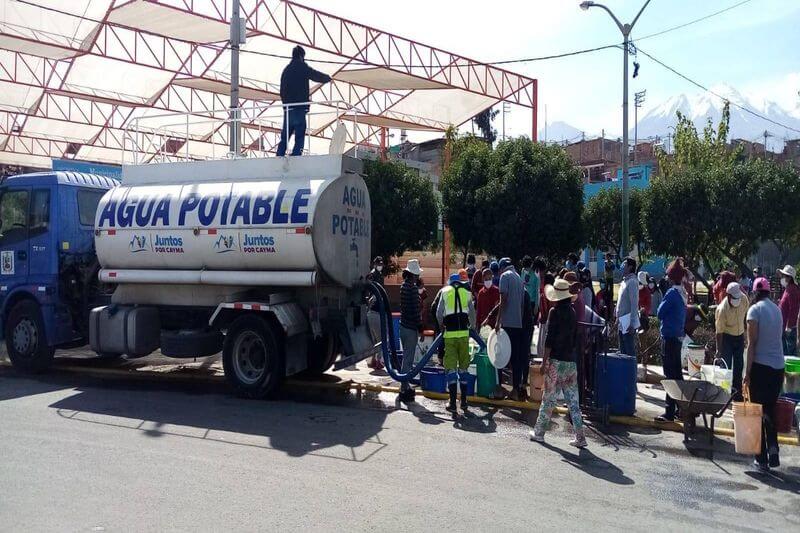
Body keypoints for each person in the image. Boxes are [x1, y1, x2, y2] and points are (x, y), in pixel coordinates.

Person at [529, 278, 587, 448]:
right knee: (573, 402)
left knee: (548, 399)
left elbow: (549, 340)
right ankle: (580, 436)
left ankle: (539, 432)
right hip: (570, 362)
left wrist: (544, 362)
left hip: (555, 362)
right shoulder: (572, 313)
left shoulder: (555, 312)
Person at [745, 277, 786, 471]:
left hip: (761, 367)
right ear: (769, 292)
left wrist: (747, 372)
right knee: (769, 409)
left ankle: (761, 459)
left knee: (757, 412)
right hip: (778, 367)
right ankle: (773, 447)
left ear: (754, 292)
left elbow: (752, 344)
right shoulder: (777, 310)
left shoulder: (754, 311)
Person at [277, 46, 332, 157]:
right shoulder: (302, 67)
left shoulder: (286, 70)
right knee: (300, 135)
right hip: (300, 108)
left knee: (285, 136)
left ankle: (279, 155)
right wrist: (328, 78)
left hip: (288, 109)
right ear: (302, 56)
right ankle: (296, 155)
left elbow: (282, 90)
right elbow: (315, 75)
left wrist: (285, 105)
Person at [436, 273, 476, 413]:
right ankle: (464, 402)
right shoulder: (467, 293)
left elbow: (439, 312)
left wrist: (442, 327)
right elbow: (472, 314)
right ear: (459, 282)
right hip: (464, 335)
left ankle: (452, 403)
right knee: (464, 367)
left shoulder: (445, 292)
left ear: (450, 282)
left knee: (451, 368)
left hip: (450, 336)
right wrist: (472, 327)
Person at [655, 260, 688, 422]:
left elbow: (660, 313)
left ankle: (669, 412)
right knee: (677, 374)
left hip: (668, 338)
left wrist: (663, 295)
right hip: (678, 337)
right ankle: (681, 409)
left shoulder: (671, 294)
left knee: (669, 376)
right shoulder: (683, 293)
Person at [496, 258, 527, 401]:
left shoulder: (504, 276)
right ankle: (514, 390)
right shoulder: (519, 278)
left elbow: (504, 299)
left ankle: (499, 389)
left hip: (507, 323)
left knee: (500, 356)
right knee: (516, 358)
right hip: (518, 324)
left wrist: (498, 321)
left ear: (502, 267)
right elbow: (521, 304)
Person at [715, 282, 748, 401]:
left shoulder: (743, 299)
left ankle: (737, 393)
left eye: (738, 297)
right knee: (726, 367)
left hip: (739, 336)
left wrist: (745, 336)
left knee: (739, 366)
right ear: (728, 296)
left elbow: (745, 318)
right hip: (727, 338)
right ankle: (724, 393)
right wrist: (719, 349)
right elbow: (719, 332)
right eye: (734, 298)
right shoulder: (722, 309)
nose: (737, 300)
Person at [398, 259, 423, 402]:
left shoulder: (403, 286)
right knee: (408, 360)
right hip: (410, 328)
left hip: (402, 326)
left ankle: (404, 385)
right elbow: (415, 310)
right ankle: (404, 388)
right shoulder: (412, 288)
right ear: (414, 275)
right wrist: (420, 327)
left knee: (405, 359)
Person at [615, 257, 640, 359]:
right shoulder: (624, 282)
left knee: (629, 352)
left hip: (628, 323)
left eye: (624, 264)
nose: (622, 266)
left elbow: (634, 304)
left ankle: (632, 373)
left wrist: (632, 323)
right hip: (621, 322)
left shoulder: (632, 282)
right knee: (623, 351)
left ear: (630, 267)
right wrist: (616, 317)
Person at [777, 264, 799, 356]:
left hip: (789, 329)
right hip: (785, 327)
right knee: (785, 353)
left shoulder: (792, 289)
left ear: (789, 278)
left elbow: (794, 309)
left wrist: (788, 327)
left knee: (789, 355)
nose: (782, 277)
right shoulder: (788, 289)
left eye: (783, 276)